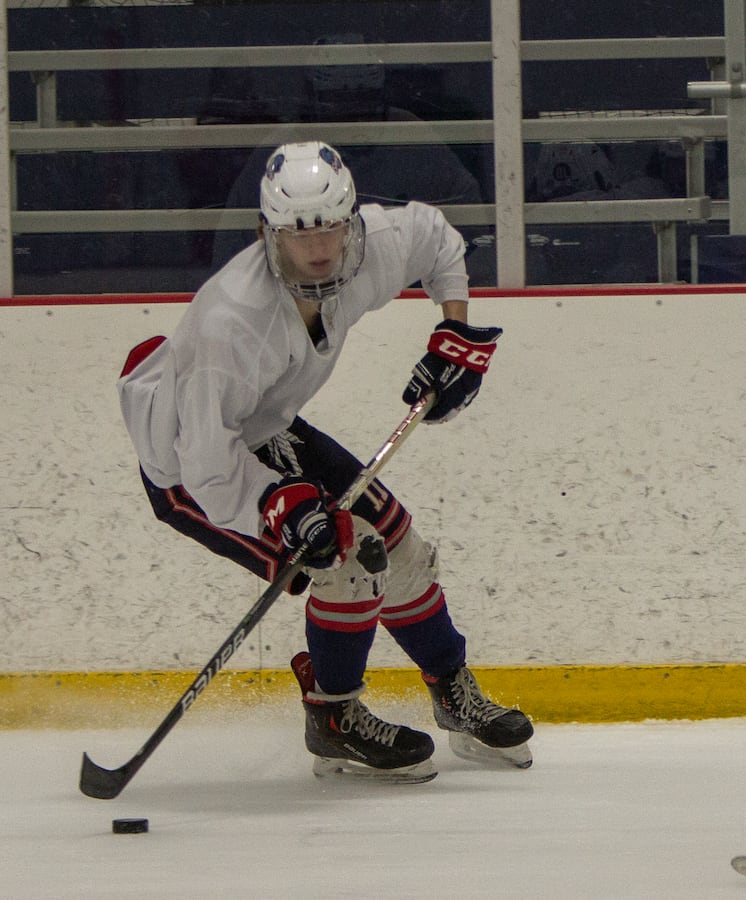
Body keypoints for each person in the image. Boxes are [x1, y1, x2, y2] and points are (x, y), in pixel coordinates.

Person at [117, 140, 533, 783]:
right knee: (347, 556)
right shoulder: (230, 322)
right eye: (296, 234)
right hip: (188, 464)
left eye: (331, 229)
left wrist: (454, 332)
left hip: (268, 425)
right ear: (267, 233)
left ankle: (452, 690)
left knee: (402, 548)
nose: (318, 248)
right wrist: (278, 505)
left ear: (352, 218)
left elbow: (436, 238)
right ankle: (333, 716)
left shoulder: (374, 245)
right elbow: (204, 463)